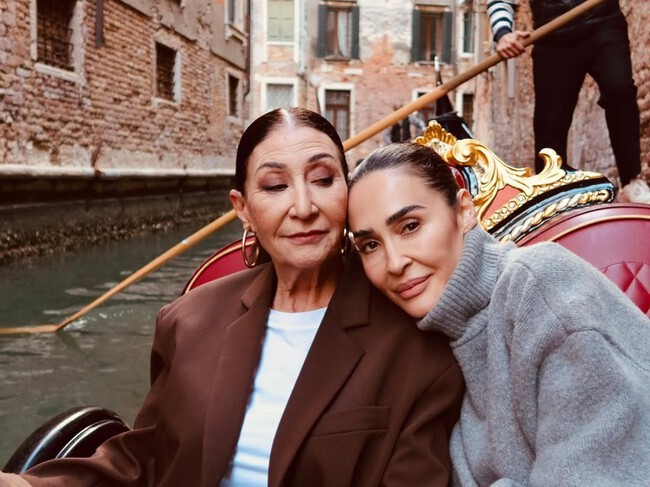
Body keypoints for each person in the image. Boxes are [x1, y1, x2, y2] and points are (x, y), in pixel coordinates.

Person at [0, 109, 463, 487]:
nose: (304, 207)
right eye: (275, 186)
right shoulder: (187, 320)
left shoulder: (417, 346)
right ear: (243, 209)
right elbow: (147, 459)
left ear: (347, 191)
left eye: (323, 179)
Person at [347, 142, 650, 486]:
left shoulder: (539, 283)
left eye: (410, 226)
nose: (394, 262)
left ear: (464, 211)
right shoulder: (422, 340)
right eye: (370, 245)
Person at [487, 0, 650, 203]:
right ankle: (550, 193)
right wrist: (503, 32)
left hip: (603, 22)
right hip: (552, 35)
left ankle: (631, 182)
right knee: (550, 123)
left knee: (619, 88)